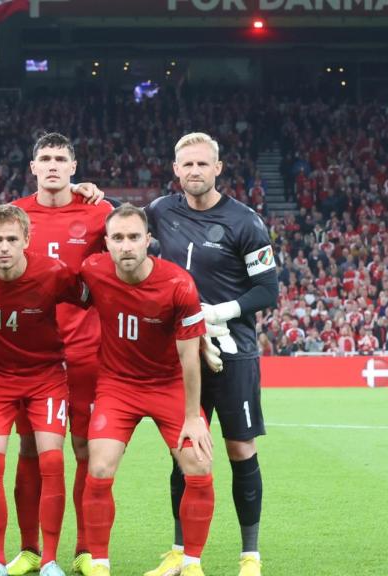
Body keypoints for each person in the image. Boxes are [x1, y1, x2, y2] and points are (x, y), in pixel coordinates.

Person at [145, 133, 278, 576]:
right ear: (176, 169)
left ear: (218, 168)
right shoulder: (160, 211)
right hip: (180, 354)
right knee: (185, 452)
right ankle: (180, 553)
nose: (195, 172)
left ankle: (250, 556)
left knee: (240, 448)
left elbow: (267, 290)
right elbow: (119, 231)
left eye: (203, 164)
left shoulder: (246, 222)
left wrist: (218, 311)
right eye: (188, 165)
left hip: (233, 351)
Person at [0, 204, 88, 576]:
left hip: (46, 378)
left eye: (13, 239)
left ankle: (50, 560)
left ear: (27, 240)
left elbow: (96, 296)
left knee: (53, 460)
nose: (5, 247)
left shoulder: (53, 272)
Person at [78, 204, 214, 576]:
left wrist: (193, 417)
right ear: (105, 244)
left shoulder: (178, 284)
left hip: (167, 384)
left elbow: (190, 358)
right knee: (100, 467)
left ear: (148, 241)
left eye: (134, 237)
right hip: (117, 386)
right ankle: (100, 564)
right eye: (118, 238)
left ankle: (191, 564)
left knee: (199, 465)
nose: (126, 246)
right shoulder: (92, 270)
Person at [9, 132, 112, 576]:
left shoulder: (98, 212)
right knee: (31, 448)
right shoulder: (12, 216)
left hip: (87, 350)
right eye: (44, 158)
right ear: (32, 167)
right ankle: (30, 549)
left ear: (74, 167)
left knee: (86, 448)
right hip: (30, 354)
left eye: (60, 159)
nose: (52, 165)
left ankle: (85, 550)